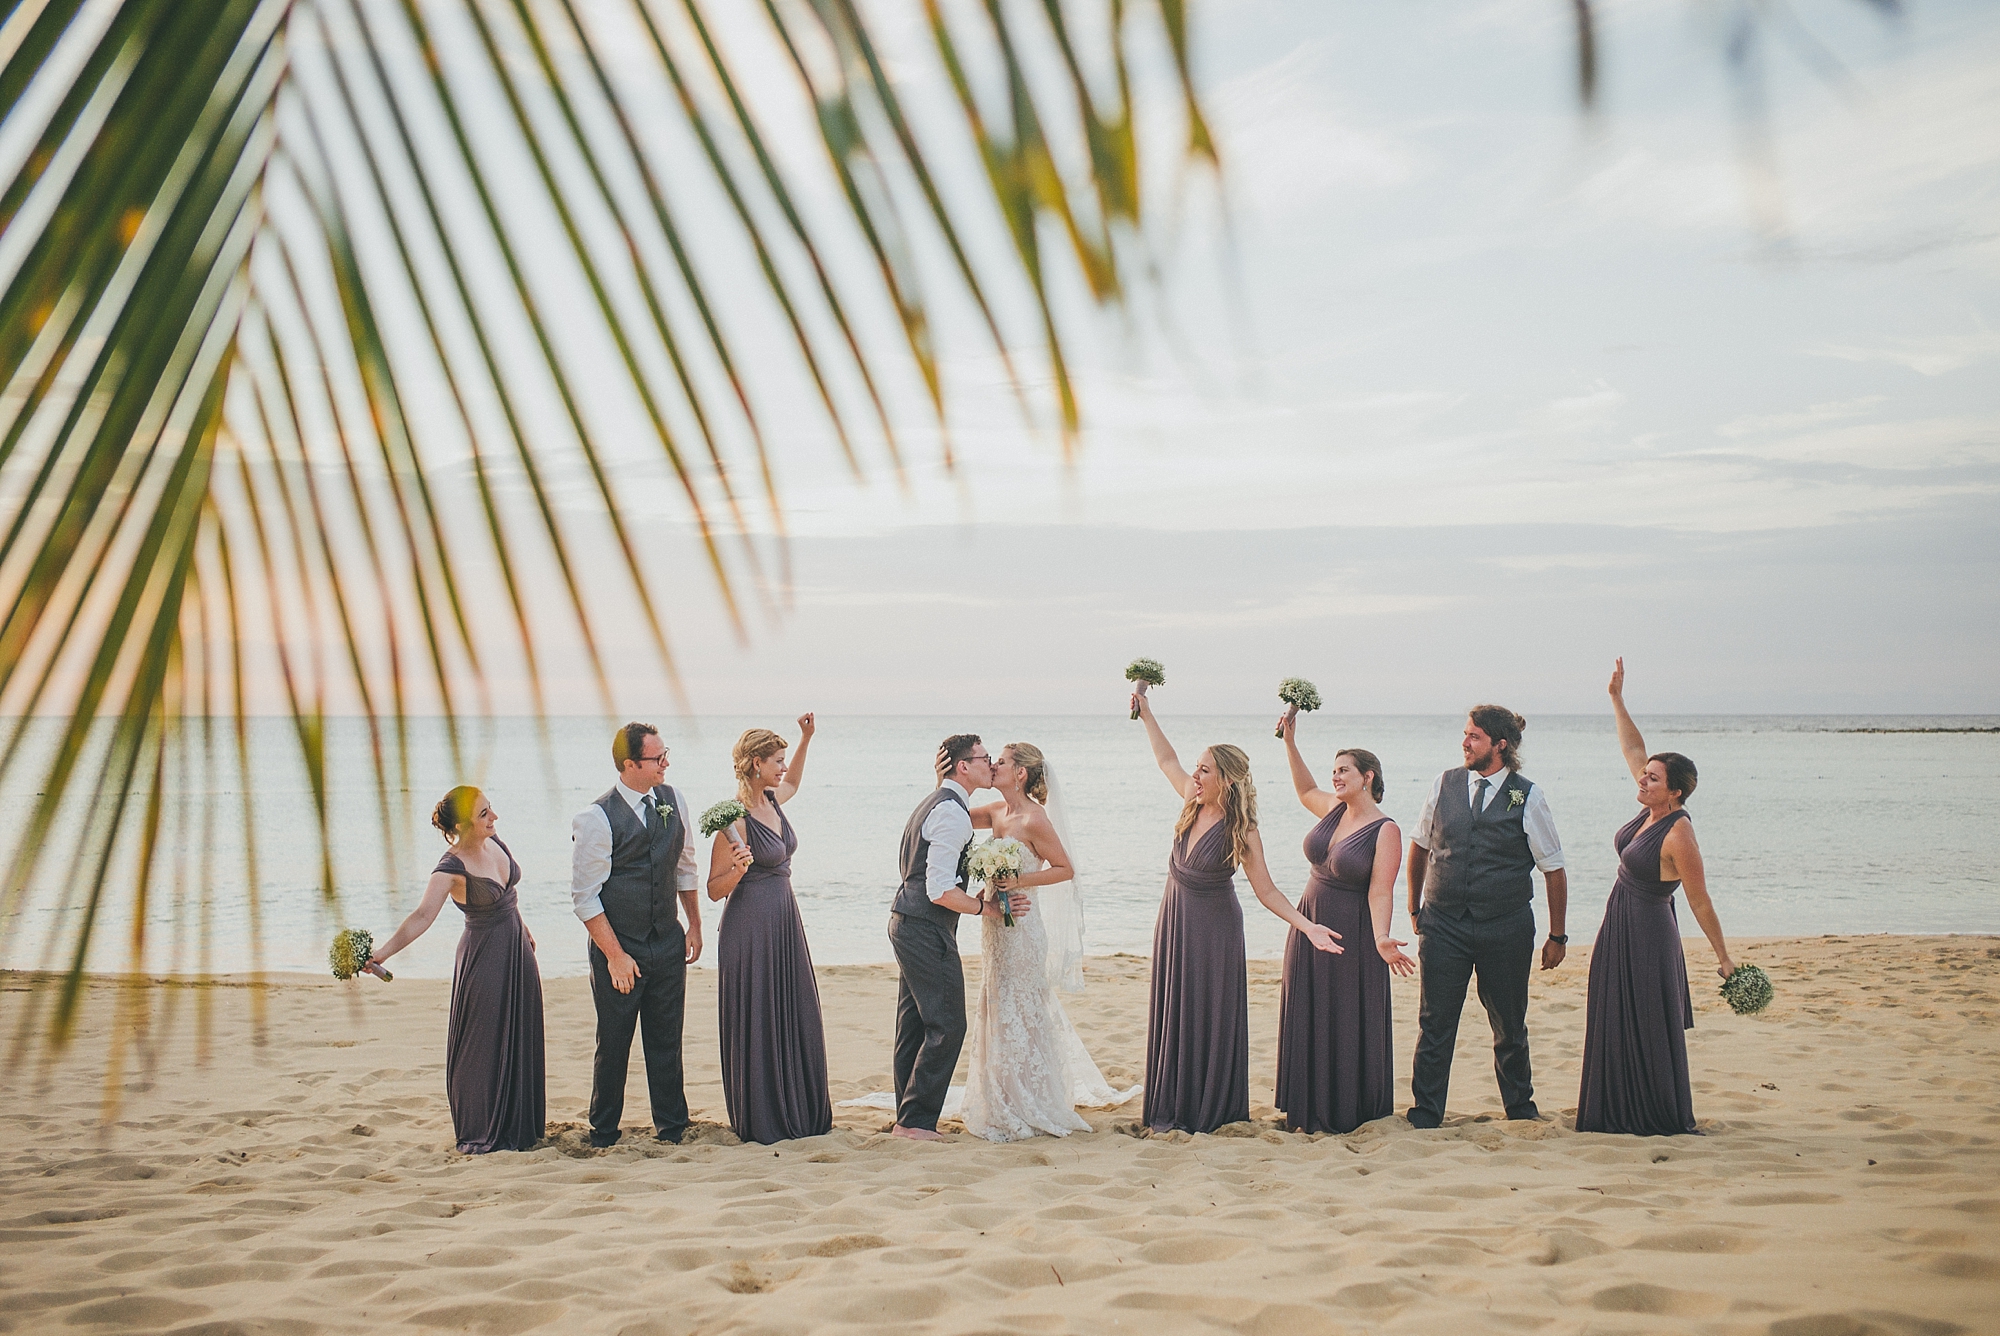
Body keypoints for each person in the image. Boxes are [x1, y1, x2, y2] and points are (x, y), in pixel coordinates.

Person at [1130, 679, 1340, 1134]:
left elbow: (1266, 891)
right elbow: (1166, 758)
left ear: (1226, 778)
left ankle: (1206, 1108)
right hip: (1175, 921)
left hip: (1214, 930)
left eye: (1205, 770)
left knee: (1207, 1014)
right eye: (1198, 768)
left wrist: (1307, 926)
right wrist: (1146, 712)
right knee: (1175, 1010)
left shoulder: (1242, 830)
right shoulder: (1191, 800)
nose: (1196, 775)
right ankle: (1173, 1103)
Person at [1576, 658, 1740, 1135]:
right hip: (1618, 925)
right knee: (1612, 1013)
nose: (1642, 780)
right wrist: (1616, 698)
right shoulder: (1652, 810)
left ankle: (1658, 1115)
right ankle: (1615, 1110)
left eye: (1652, 779)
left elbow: (1700, 901)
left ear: (1675, 792)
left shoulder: (1679, 833)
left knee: (1647, 1022)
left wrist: (1724, 958)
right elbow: (1633, 746)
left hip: (1649, 933)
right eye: (1644, 775)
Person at [1405, 705, 1568, 1128]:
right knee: (1435, 1021)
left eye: (1474, 736)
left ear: (1500, 745)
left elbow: (1553, 867)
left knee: (1510, 1023)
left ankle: (1520, 1108)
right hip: (1443, 923)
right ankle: (1426, 1112)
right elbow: (1419, 844)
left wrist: (1558, 936)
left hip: (1506, 926)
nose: (1464, 743)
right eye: (1464, 734)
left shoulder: (1525, 794)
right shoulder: (1445, 784)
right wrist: (1413, 906)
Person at [962, 742, 1130, 1141]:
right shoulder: (996, 811)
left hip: (1021, 927)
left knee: (1020, 1007)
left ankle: (1029, 1098)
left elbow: (1065, 869)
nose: (993, 766)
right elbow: (953, 816)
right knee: (996, 1005)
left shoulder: (1035, 820)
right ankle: (999, 1093)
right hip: (994, 930)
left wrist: (1018, 880)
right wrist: (944, 778)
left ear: (1020, 773)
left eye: (1000, 762)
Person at [368, 786, 545, 1153]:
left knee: (520, 1033)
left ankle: (518, 1125)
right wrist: (382, 953)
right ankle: (481, 1128)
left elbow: (509, 894)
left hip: (516, 950)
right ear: (462, 826)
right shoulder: (449, 869)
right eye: (484, 814)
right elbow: (421, 917)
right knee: (480, 1044)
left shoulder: (495, 841)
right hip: (484, 958)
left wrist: (523, 927)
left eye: (490, 809)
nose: (494, 817)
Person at [886, 734, 1031, 1141]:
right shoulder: (951, 813)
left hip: (907, 920)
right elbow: (940, 889)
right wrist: (987, 907)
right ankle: (915, 1123)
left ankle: (906, 1117)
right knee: (948, 1024)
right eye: (985, 758)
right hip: (924, 926)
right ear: (964, 766)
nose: (991, 764)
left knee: (914, 1025)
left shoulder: (939, 803)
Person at [1275, 712, 1414, 1134]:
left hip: (1351, 933)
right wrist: (1290, 742)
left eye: (1344, 770)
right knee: (1306, 1009)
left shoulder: (1385, 829)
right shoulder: (1332, 809)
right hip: (1309, 924)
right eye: (1333, 770)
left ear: (1367, 776)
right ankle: (1305, 1108)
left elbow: (1381, 890)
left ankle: (1346, 1112)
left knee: (1344, 1017)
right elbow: (1302, 789)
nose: (1335, 777)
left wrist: (1382, 936)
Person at [572, 723, 702, 1148]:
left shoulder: (673, 799)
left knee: (667, 1039)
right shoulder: (596, 818)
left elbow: (684, 867)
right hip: (619, 947)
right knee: (614, 1043)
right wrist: (615, 956)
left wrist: (694, 924)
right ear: (630, 765)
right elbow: (586, 899)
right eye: (657, 758)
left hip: (667, 941)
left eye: (666, 754)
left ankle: (672, 1127)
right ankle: (603, 1131)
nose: (666, 763)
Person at [706, 715, 833, 1144]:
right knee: (761, 1016)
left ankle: (800, 1106)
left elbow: (794, 780)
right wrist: (738, 871)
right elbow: (712, 889)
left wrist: (806, 738)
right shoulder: (734, 820)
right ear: (756, 763)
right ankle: (765, 1116)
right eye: (776, 761)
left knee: (797, 1010)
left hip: (784, 919)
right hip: (750, 926)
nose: (782, 768)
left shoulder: (774, 800)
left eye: (782, 761)